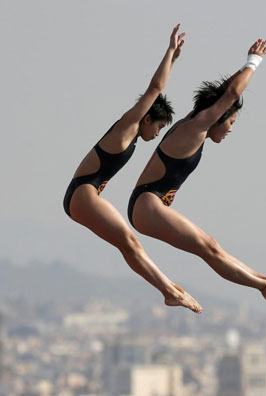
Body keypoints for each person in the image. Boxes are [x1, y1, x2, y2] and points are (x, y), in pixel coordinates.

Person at [128, 39, 266, 303]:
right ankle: (264, 286)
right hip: (147, 204)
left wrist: (243, 66)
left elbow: (223, 93)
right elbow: (230, 94)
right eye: (230, 121)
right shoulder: (195, 128)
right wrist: (253, 62)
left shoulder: (196, 121)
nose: (230, 128)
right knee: (208, 247)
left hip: (150, 204)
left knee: (213, 248)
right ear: (217, 117)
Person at [63, 24, 202, 314]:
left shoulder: (131, 136)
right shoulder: (127, 127)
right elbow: (155, 89)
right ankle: (169, 290)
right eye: (159, 127)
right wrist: (170, 54)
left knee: (127, 244)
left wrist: (174, 61)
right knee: (129, 240)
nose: (157, 133)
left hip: (85, 195)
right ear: (147, 118)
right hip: (83, 192)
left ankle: (169, 290)